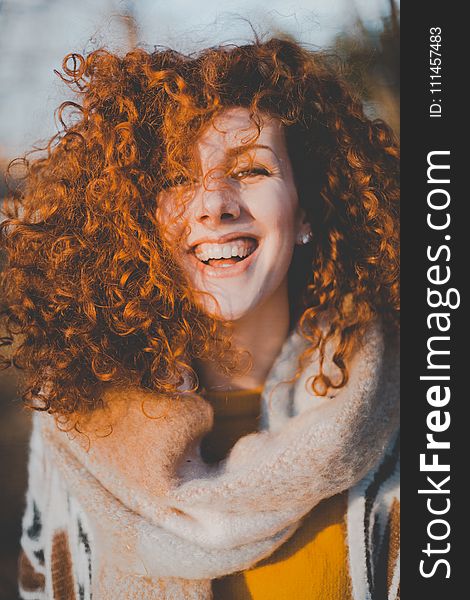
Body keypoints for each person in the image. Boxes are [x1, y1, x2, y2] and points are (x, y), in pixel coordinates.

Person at [0, 37, 400, 599]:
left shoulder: (414, 408)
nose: (215, 203)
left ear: (306, 205)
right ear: (138, 223)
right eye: (177, 178)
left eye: (252, 169)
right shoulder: (75, 424)